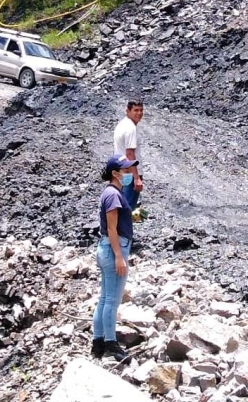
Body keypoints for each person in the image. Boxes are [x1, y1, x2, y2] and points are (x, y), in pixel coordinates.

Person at [92, 154, 138, 363]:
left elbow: (116, 223)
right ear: (115, 173)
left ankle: (98, 343)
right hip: (114, 249)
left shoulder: (112, 194)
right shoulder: (113, 195)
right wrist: (119, 256)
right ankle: (111, 344)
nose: (129, 173)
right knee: (112, 300)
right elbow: (111, 228)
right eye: (126, 170)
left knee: (104, 298)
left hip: (107, 249)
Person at [113, 99, 144, 209]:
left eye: (141, 110)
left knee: (121, 204)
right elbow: (130, 154)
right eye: (135, 110)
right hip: (130, 174)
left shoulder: (122, 124)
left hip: (121, 171)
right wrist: (136, 178)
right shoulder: (131, 128)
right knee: (127, 207)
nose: (139, 113)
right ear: (128, 111)